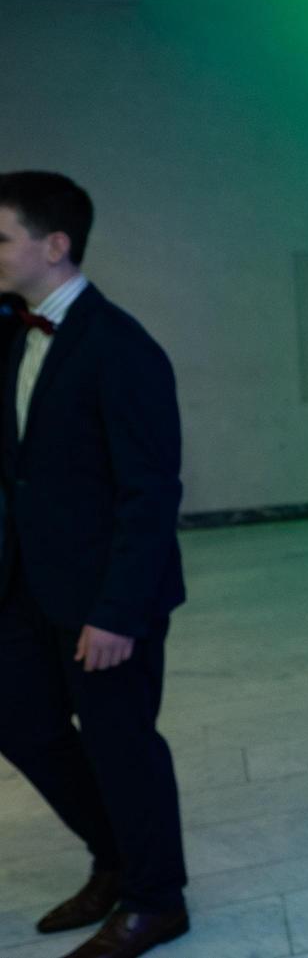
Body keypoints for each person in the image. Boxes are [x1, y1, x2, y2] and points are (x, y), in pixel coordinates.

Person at [0, 172, 190, 958]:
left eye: (0, 237)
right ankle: (115, 858)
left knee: (122, 745)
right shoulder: (14, 332)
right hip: (24, 587)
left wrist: (116, 612)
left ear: (55, 245)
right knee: (21, 722)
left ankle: (156, 899)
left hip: (105, 597)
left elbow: (152, 493)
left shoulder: (121, 347)